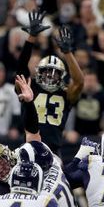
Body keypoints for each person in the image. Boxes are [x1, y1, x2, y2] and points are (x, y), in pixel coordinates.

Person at [16, 11, 84, 152]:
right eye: (47, 71)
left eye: (54, 73)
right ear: (39, 72)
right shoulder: (30, 86)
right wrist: (31, 38)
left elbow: (79, 82)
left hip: (53, 150)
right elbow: (21, 69)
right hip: (29, 148)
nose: (50, 76)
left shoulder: (65, 92)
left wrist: (67, 53)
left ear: (62, 76)